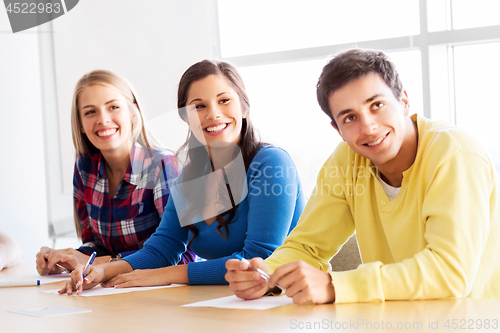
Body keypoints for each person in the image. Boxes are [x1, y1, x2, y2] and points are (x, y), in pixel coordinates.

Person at [225, 48, 500, 304]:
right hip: (391, 321)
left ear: (404, 101)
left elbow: (450, 274)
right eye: (349, 118)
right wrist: (266, 275)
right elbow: (308, 246)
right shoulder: (346, 161)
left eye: (377, 105)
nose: (368, 126)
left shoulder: (455, 154)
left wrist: (334, 286)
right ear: (337, 130)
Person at [59, 60, 306, 295]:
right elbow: (162, 248)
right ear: (186, 118)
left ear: (243, 107)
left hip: (283, 301)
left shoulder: (271, 163)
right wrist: (100, 271)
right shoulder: (189, 176)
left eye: (224, 100)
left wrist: (169, 275)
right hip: (225, 302)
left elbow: (259, 261)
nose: (213, 114)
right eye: (199, 106)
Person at [36, 70, 194, 276]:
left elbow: (184, 256)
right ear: (81, 124)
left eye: (113, 107)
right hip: (114, 290)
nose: (103, 119)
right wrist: (67, 259)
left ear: (133, 112)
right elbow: (97, 245)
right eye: (90, 112)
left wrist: (105, 262)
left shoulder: (162, 166)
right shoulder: (84, 169)